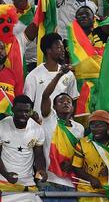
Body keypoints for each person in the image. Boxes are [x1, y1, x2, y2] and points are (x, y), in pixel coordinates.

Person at [39, 64, 84, 200]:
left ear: (72, 107)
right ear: (54, 107)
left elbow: (80, 154)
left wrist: (72, 164)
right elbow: (45, 95)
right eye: (61, 102)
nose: (65, 103)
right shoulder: (49, 119)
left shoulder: (79, 128)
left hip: (71, 182)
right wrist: (59, 74)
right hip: (49, 181)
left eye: (68, 101)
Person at [71, 110, 109, 198]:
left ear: (108, 126)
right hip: (87, 191)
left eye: (100, 125)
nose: (96, 129)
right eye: (93, 126)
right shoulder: (82, 144)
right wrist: (91, 179)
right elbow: (76, 167)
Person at [0, 94, 47, 191]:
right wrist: (6, 174)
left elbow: (39, 155)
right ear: (13, 109)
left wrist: (41, 169)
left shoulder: (38, 129)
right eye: (19, 111)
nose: (23, 114)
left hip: (28, 182)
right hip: (3, 180)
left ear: (31, 111)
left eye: (27, 111)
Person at [25, 33, 79, 114]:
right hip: (41, 124)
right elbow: (28, 104)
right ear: (48, 50)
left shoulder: (69, 74)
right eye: (59, 47)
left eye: (63, 47)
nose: (63, 50)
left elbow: (73, 100)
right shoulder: (33, 76)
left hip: (61, 124)